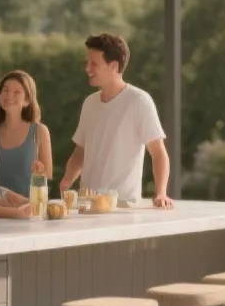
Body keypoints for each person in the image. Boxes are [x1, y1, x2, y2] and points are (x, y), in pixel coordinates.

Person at [60, 32, 173, 208]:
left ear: (113, 66)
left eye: (94, 63)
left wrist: (161, 193)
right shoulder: (89, 103)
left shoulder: (139, 101)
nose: (87, 68)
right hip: (87, 206)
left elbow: (158, 153)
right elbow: (80, 150)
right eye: (87, 62)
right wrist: (67, 180)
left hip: (122, 208)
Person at [0, 69, 52, 198]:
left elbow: (47, 177)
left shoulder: (40, 132)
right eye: (5, 90)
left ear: (27, 100)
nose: (9, 96)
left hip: (28, 209)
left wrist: (39, 175)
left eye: (16, 92)